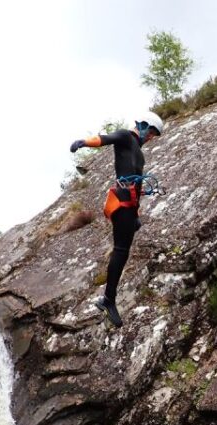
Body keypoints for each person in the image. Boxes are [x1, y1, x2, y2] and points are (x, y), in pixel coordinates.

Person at [69, 112, 164, 327]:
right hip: (120, 203)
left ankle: (108, 299)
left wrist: (136, 214)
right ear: (141, 125)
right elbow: (104, 139)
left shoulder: (139, 153)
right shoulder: (124, 136)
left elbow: (137, 186)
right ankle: (108, 300)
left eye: (154, 135)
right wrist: (83, 142)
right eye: (150, 131)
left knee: (123, 250)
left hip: (130, 206)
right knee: (121, 250)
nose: (150, 136)